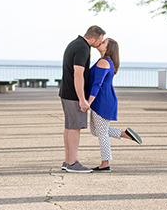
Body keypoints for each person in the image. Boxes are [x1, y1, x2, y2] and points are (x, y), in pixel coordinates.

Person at [87, 38, 142, 172]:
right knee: (96, 130)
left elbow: (97, 84)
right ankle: (125, 134)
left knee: (101, 132)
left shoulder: (104, 62)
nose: (100, 43)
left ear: (108, 48)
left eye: (103, 42)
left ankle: (105, 163)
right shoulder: (107, 62)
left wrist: (88, 101)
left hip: (102, 101)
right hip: (104, 100)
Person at [60, 25, 105, 173]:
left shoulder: (75, 43)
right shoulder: (83, 48)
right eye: (100, 40)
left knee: (69, 127)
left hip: (66, 92)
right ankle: (73, 163)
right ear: (92, 38)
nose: (100, 43)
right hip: (74, 95)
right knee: (75, 127)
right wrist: (82, 99)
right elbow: (78, 73)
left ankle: (68, 161)